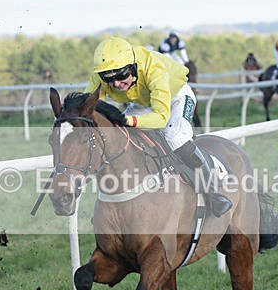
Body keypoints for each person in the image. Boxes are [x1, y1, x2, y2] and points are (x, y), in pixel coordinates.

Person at [87, 36, 231, 216]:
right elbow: (88, 108)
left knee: (175, 137)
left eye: (122, 75)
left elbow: (161, 117)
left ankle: (213, 192)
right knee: (120, 137)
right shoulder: (102, 75)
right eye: (109, 78)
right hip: (143, 104)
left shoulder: (153, 68)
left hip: (175, 97)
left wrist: (128, 121)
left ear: (132, 67)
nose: (116, 83)